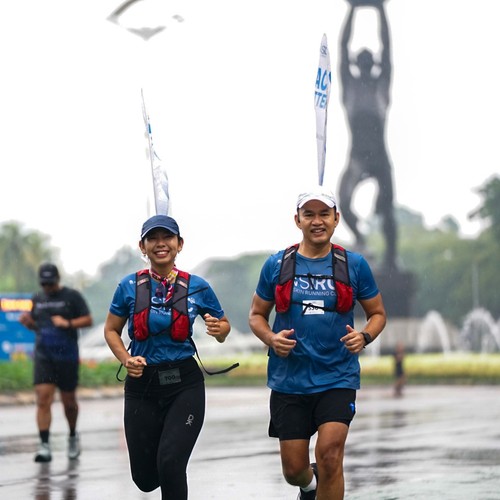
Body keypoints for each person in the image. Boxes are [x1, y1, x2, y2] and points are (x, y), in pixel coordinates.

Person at [248, 186, 386, 500]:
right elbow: (256, 315)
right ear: (297, 220)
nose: (317, 221)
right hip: (289, 380)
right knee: (293, 470)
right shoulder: (277, 264)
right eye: (309, 214)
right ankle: (310, 487)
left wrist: (364, 336)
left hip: (337, 376)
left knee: (330, 455)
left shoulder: (353, 265)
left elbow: (377, 313)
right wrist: (271, 338)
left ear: (336, 218)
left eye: (324, 214)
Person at [104, 214, 232, 500]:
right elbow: (111, 330)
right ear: (143, 246)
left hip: (184, 385)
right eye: (153, 238)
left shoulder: (198, 286)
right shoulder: (128, 286)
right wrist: (126, 359)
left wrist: (219, 330)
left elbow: (224, 327)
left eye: (167, 238)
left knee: (171, 463)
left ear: (179, 244)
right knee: (146, 479)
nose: (160, 244)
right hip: (142, 386)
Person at [339, 0, 397, 270]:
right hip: (357, 157)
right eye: (359, 61)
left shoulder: (380, 86)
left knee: (387, 209)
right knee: (343, 202)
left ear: (372, 64)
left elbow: (387, 49)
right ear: (356, 64)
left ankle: (391, 259)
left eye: (367, 61)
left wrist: (381, 9)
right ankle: (361, 239)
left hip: (380, 156)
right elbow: (342, 49)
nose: (363, 65)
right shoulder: (350, 87)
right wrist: (352, 9)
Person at [19, 263, 93, 463]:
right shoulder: (37, 298)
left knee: (69, 402)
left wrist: (67, 323)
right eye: (44, 284)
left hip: (67, 356)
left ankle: (72, 436)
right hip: (44, 355)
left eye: (50, 283)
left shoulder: (72, 296)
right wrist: (29, 323)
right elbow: (38, 326)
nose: (48, 287)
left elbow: (88, 320)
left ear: (57, 280)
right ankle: (44, 446)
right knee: (43, 398)